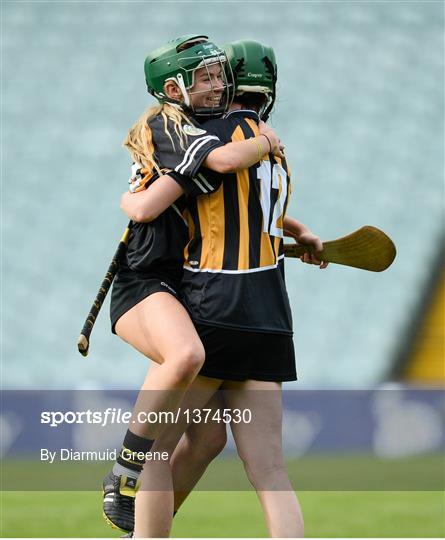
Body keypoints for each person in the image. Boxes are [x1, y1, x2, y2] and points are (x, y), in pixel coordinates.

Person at [118, 39, 328, 538]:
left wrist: (132, 196)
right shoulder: (277, 151)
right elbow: (256, 215)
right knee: (271, 472)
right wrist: (298, 232)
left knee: (154, 454)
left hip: (213, 309)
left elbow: (165, 207)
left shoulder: (205, 140)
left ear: (225, 82)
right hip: (272, 319)